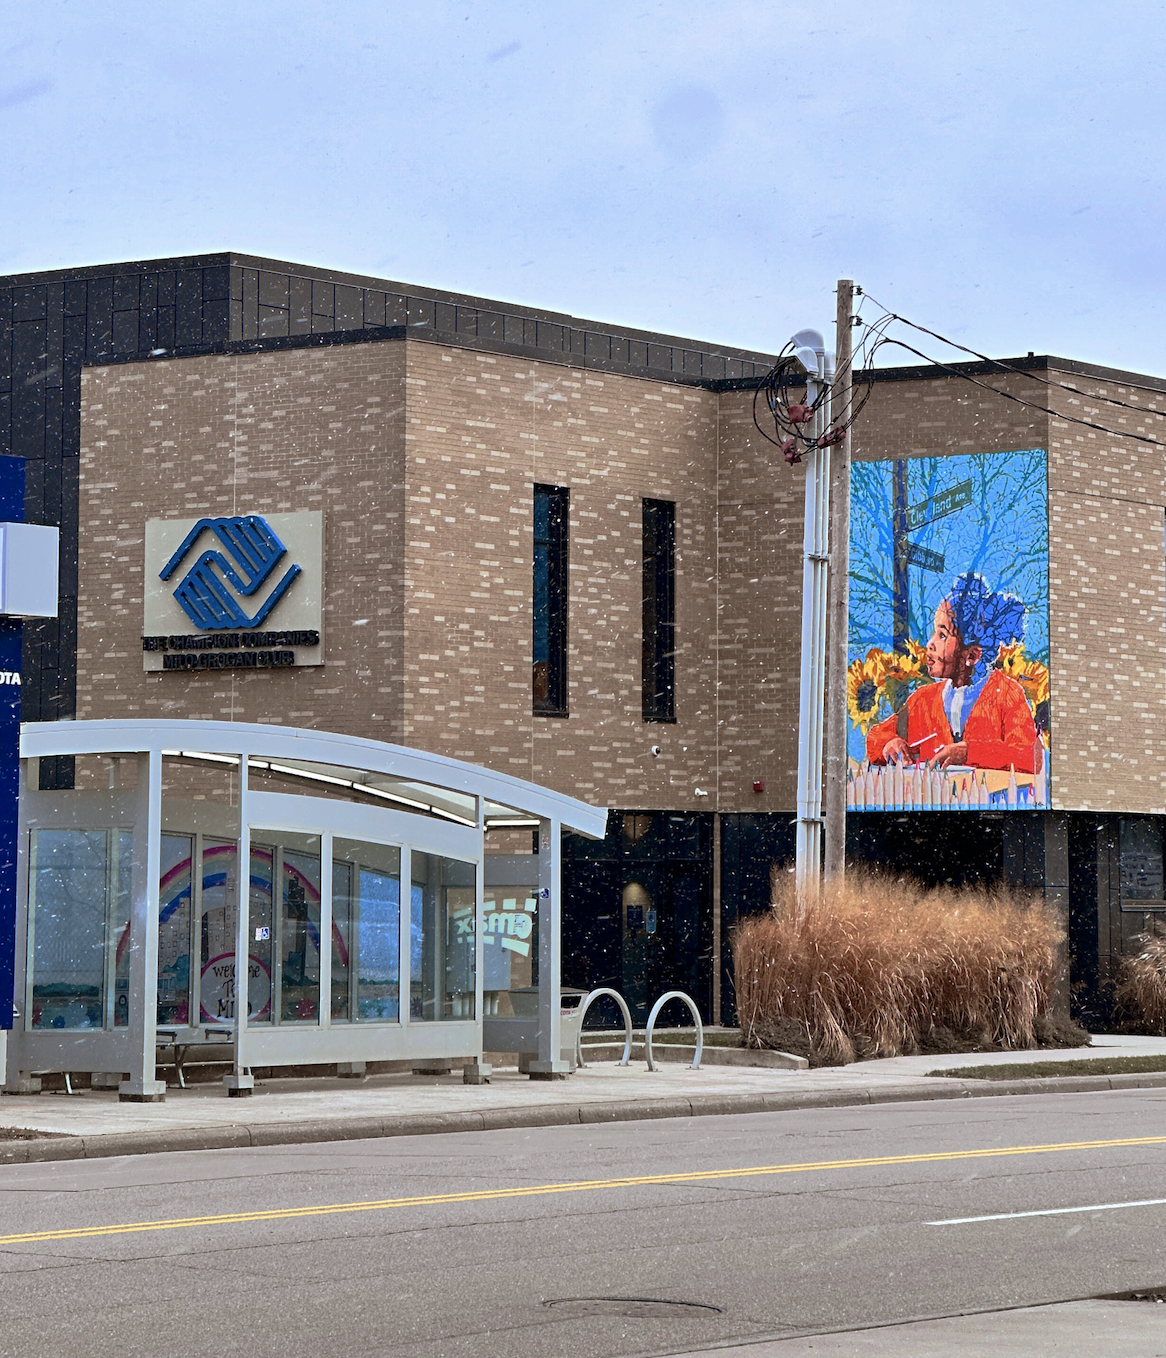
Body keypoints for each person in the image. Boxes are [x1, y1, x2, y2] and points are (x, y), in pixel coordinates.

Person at [867, 573, 1040, 772]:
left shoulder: (1008, 695)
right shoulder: (924, 699)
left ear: (972, 656)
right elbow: (877, 736)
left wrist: (970, 753)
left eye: (942, 635)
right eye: (934, 633)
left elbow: (1028, 758)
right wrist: (889, 743)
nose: (930, 643)